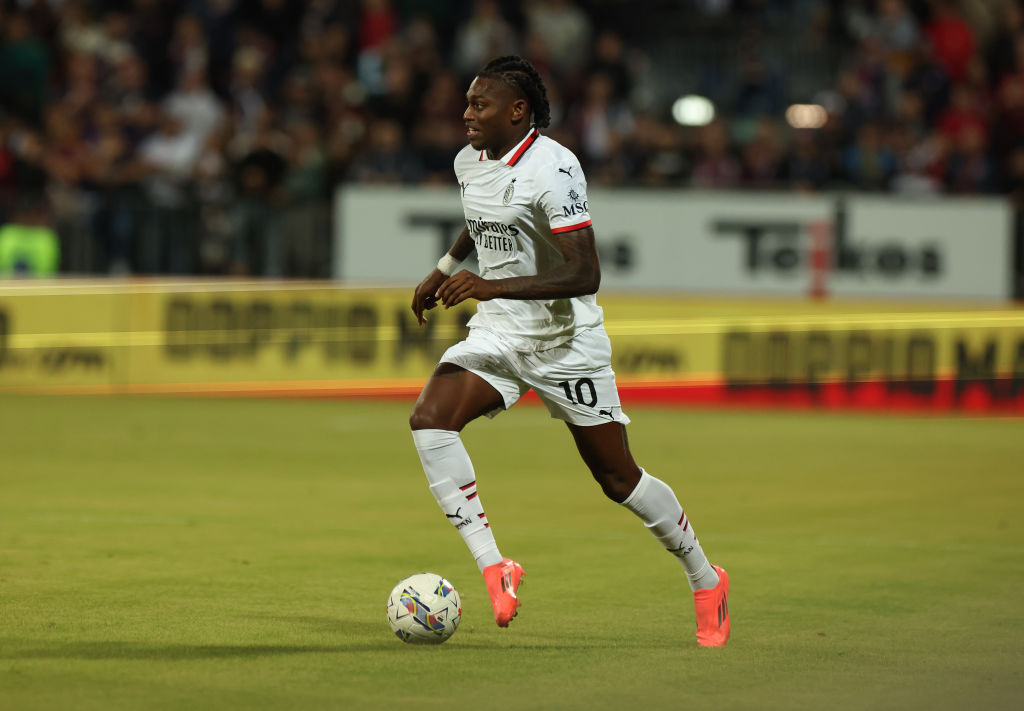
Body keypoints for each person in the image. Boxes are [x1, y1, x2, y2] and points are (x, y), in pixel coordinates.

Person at [408, 56, 730, 647]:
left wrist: (486, 284)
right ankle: (493, 565)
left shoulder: (555, 169)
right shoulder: (468, 160)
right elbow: (481, 219)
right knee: (430, 421)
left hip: (566, 342)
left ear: (517, 111)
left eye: (479, 104)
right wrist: (445, 268)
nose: (466, 113)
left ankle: (706, 578)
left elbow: (585, 273)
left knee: (617, 478)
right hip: (502, 333)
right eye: (467, 101)